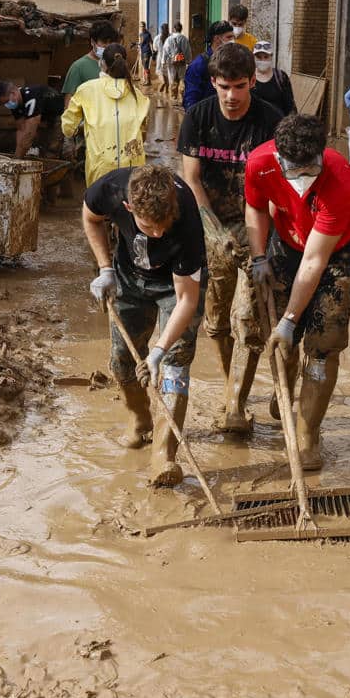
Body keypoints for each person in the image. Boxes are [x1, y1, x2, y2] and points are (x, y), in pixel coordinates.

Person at [245, 113, 350, 471]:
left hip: (337, 253)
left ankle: (308, 433)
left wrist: (288, 319)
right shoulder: (260, 163)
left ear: (321, 156)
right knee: (282, 340)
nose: (300, 178)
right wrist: (257, 256)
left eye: (309, 170)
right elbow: (254, 206)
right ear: (278, 156)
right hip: (285, 242)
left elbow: (315, 261)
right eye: (292, 169)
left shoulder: (341, 178)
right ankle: (285, 387)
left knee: (323, 344)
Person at [176, 42, 283, 432]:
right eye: (224, 86)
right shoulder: (197, 118)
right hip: (212, 227)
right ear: (213, 83)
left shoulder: (270, 121)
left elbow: (281, 189)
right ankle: (229, 384)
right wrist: (213, 230)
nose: (231, 96)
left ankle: (236, 403)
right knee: (217, 323)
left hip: (258, 227)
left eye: (239, 86)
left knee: (248, 320)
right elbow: (191, 180)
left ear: (253, 82)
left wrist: (264, 247)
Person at [84, 163, 206, 485]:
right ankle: (140, 420)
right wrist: (104, 268)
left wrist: (158, 351)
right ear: (128, 208)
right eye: (148, 227)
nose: (158, 234)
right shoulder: (109, 189)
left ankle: (164, 456)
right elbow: (90, 217)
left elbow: (186, 301)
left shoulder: (187, 218)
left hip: (174, 286)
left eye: (163, 226)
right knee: (122, 360)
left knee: (175, 364)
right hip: (129, 278)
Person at [61, 43, 150, 186]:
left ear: (102, 64)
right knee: (131, 206)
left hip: (100, 169)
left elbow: (67, 127)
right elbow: (143, 133)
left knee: (99, 206)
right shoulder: (138, 95)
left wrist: (80, 128)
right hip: (133, 170)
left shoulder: (86, 89)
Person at [0, 79, 64, 157]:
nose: (7, 105)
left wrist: (19, 157)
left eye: (7, 101)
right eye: (4, 103)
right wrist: (17, 152)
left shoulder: (31, 97)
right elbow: (21, 129)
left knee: (53, 147)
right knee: (42, 146)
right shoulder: (15, 104)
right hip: (44, 117)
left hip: (59, 114)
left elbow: (29, 132)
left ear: (14, 93)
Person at [182, 20, 234, 112]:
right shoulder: (198, 65)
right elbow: (191, 100)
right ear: (217, 39)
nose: (233, 41)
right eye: (229, 37)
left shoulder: (232, 62)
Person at [63, 21, 120, 96]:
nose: (108, 46)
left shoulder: (117, 64)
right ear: (93, 42)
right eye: (104, 42)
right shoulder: (79, 67)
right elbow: (69, 103)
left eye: (111, 42)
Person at [250, 41, 295, 115]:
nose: (262, 60)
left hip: (278, 124)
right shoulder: (248, 77)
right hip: (254, 124)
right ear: (253, 57)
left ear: (271, 56)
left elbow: (290, 106)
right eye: (259, 57)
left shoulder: (281, 77)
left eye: (266, 57)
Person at [160, 24, 190, 100]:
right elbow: (188, 51)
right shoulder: (184, 39)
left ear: (174, 29)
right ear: (181, 29)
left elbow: (165, 50)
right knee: (182, 78)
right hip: (182, 62)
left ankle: (174, 97)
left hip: (171, 62)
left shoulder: (169, 39)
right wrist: (188, 61)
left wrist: (163, 61)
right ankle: (182, 96)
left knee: (173, 78)